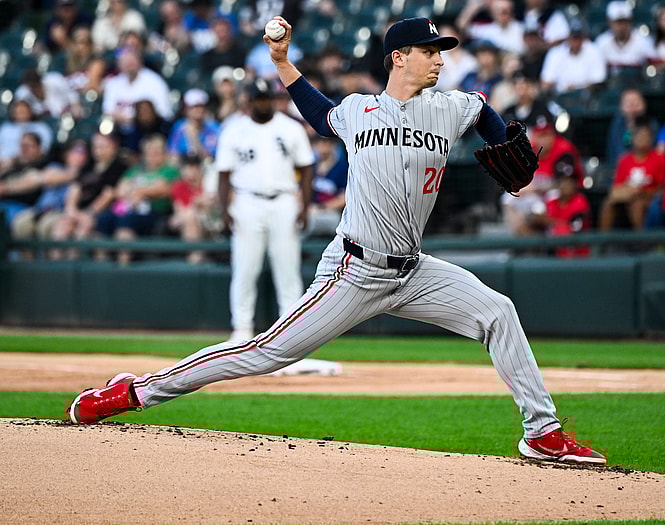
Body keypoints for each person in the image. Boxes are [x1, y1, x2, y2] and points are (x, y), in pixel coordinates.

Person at [67, 17, 607, 466]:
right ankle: (136, 391)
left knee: (498, 310)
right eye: (429, 51)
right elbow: (314, 107)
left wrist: (503, 138)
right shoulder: (356, 110)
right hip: (354, 269)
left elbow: (487, 114)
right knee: (267, 352)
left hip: (412, 271)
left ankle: (542, 432)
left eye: (442, 51)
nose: (440, 59)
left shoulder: (451, 106)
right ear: (399, 57)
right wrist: (282, 61)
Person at [216, 78, 315, 341]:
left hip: (284, 200)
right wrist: (224, 210)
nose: (263, 103)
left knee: (288, 269)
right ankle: (241, 330)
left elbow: (306, 169)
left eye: (266, 98)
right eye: (258, 99)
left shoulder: (291, 128)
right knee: (245, 269)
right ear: (248, 101)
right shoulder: (234, 130)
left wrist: (304, 207)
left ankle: (290, 333)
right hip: (247, 201)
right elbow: (223, 174)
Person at [93, 134, 179, 264]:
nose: (152, 155)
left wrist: (137, 190)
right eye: (149, 152)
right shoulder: (136, 170)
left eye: (156, 152)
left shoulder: (169, 170)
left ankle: (123, 265)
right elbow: (120, 190)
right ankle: (100, 264)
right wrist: (141, 191)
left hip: (155, 213)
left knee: (127, 221)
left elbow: (163, 189)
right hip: (128, 209)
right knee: (103, 219)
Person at [50, 131, 129, 260]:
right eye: (96, 146)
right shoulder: (88, 165)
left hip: (100, 212)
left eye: (102, 146)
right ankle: (56, 267)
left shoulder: (119, 167)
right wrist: (71, 210)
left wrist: (89, 212)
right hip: (79, 211)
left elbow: (108, 194)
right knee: (62, 225)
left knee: (83, 227)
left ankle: (73, 268)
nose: (98, 150)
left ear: (113, 147)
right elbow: (75, 188)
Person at [501, 118, 584, 236]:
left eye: (546, 135)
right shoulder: (529, 150)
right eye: (540, 136)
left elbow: (565, 186)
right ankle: (522, 239)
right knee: (508, 199)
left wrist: (535, 188)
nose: (544, 140)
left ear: (552, 135)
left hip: (561, 194)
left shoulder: (563, 150)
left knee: (543, 203)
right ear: (535, 137)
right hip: (537, 194)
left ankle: (546, 239)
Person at [10, 139, 89, 249]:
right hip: (38, 209)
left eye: (83, 153)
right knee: (21, 224)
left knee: (47, 227)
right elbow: (45, 178)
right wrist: (70, 175)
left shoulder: (87, 174)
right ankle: (27, 264)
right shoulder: (55, 167)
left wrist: (75, 175)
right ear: (67, 154)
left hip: (58, 212)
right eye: (77, 151)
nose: (80, 155)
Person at [599, 124, 665, 231]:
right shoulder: (624, 160)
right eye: (639, 136)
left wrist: (642, 192)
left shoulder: (659, 159)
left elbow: (661, 187)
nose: (642, 140)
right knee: (608, 204)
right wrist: (629, 191)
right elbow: (617, 185)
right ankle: (603, 241)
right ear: (633, 139)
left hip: (648, 197)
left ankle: (642, 242)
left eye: (646, 137)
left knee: (637, 205)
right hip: (627, 196)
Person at [101, 46, 174, 132]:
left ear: (140, 61)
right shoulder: (114, 83)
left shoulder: (155, 82)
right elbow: (107, 111)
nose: (129, 65)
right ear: (119, 65)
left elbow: (164, 113)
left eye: (132, 62)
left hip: (146, 132)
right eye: (125, 62)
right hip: (119, 132)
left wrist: (134, 119)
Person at [168, 154, 219, 264]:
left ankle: (195, 257)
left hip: (212, 221)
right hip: (189, 221)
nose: (187, 171)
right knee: (189, 216)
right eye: (184, 168)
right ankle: (196, 256)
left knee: (191, 214)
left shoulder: (208, 183)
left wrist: (199, 204)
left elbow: (212, 202)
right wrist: (195, 204)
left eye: (191, 167)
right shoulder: (179, 186)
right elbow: (179, 211)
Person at [0, 132, 50, 233]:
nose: (24, 149)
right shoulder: (12, 166)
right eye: (22, 145)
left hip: (24, 208)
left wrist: (6, 188)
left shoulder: (44, 164)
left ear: (39, 147)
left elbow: (37, 179)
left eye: (29, 146)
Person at [540, 19, 606, 95]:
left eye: (579, 38)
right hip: (560, 96)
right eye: (574, 38)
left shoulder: (594, 51)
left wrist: (575, 88)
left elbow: (598, 81)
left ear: (584, 38)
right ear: (568, 38)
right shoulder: (555, 53)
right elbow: (546, 82)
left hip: (586, 97)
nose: (576, 42)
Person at [305, 134, 348, 237]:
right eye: (319, 143)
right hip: (310, 210)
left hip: (331, 213)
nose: (322, 146)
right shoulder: (311, 166)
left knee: (306, 222)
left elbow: (345, 198)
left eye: (326, 143)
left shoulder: (342, 167)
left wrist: (320, 207)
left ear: (333, 145)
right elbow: (299, 192)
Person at [606, 88, 659, 166]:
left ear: (644, 105)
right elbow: (614, 155)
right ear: (621, 107)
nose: (633, 109)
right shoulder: (617, 126)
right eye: (629, 104)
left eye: (636, 104)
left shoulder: (652, 125)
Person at [167, 88, 221, 165]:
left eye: (201, 106)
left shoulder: (214, 127)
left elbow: (213, 158)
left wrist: (194, 140)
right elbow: (172, 154)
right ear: (187, 109)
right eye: (195, 107)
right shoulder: (179, 127)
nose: (199, 110)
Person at [595, 1, 651, 73]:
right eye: (617, 22)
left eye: (624, 22)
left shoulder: (643, 42)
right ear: (609, 22)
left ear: (630, 21)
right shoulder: (601, 43)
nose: (620, 27)